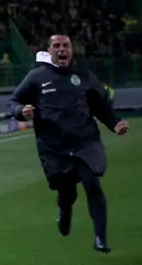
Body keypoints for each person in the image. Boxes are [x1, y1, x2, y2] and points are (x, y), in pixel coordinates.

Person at [13, 33, 128, 253]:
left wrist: (115, 123)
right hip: (54, 147)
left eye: (66, 45)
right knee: (67, 192)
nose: (61, 49)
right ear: (49, 51)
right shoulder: (37, 77)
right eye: (56, 45)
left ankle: (100, 239)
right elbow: (15, 101)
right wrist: (21, 111)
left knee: (92, 183)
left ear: (72, 50)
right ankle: (65, 211)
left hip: (85, 141)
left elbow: (101, 105)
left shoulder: (84, 75)